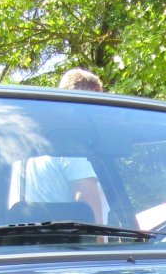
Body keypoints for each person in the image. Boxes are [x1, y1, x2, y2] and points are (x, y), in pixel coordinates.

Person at [10, 69, 107, 222]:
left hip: (34, 235)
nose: (98, 116)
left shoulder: (26, 153)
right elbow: (87, 202)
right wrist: (100, 238)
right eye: (97, 106)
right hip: (74, 237)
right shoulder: (71, 148)